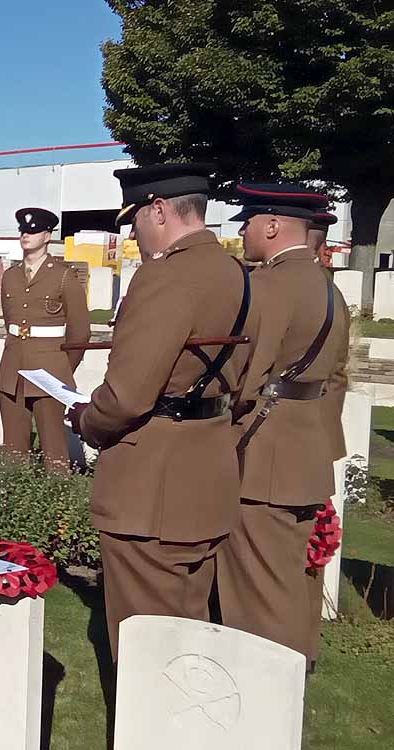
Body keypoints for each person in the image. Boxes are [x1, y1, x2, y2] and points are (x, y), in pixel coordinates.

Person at [67, 163, 253, 661]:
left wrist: (87, 420)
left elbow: (127, 395)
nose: (132, 234)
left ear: (159, 210)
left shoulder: (165, 277)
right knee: (186, 638)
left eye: (135, 221)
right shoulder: (237, 274)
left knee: (144, 649)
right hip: (206, 471)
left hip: (151, 486)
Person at [217, 184, 350, 659]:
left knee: (256, 582)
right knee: (292, 574)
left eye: (248, 222)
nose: (244, 231)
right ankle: (300, 660)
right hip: (305, 450)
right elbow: (335, 378)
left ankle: (268, 679)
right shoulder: (329, 289)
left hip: (263, 455)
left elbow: (245, 375)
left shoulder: (269, 286)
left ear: (271, 226)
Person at [0, 207, 90, 469]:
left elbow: (80, 332)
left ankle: (56, 502)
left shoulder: (62, 275)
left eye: (34, 231)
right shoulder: (10, 276)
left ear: (47, 236)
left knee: (53, 448)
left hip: (49, 369)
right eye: (23, 231)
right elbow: (9, 321)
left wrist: (61, 371)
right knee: (13, 450)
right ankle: (13, 499)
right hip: (12, 370)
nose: (26, 235)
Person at [303, 208, 351, 670]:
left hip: (281, 435)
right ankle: (305, 643)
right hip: (319, 434)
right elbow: (337, 377)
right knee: (307, 552)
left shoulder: (285, 291)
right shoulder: (335, 296)